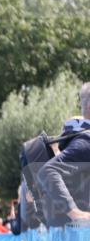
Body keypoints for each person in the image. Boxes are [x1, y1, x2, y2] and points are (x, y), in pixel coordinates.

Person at [37, 83, 90, 223]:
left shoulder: (76, 140)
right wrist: (75, 213)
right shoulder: (87, 140)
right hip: (81, 234)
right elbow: (47, 171)